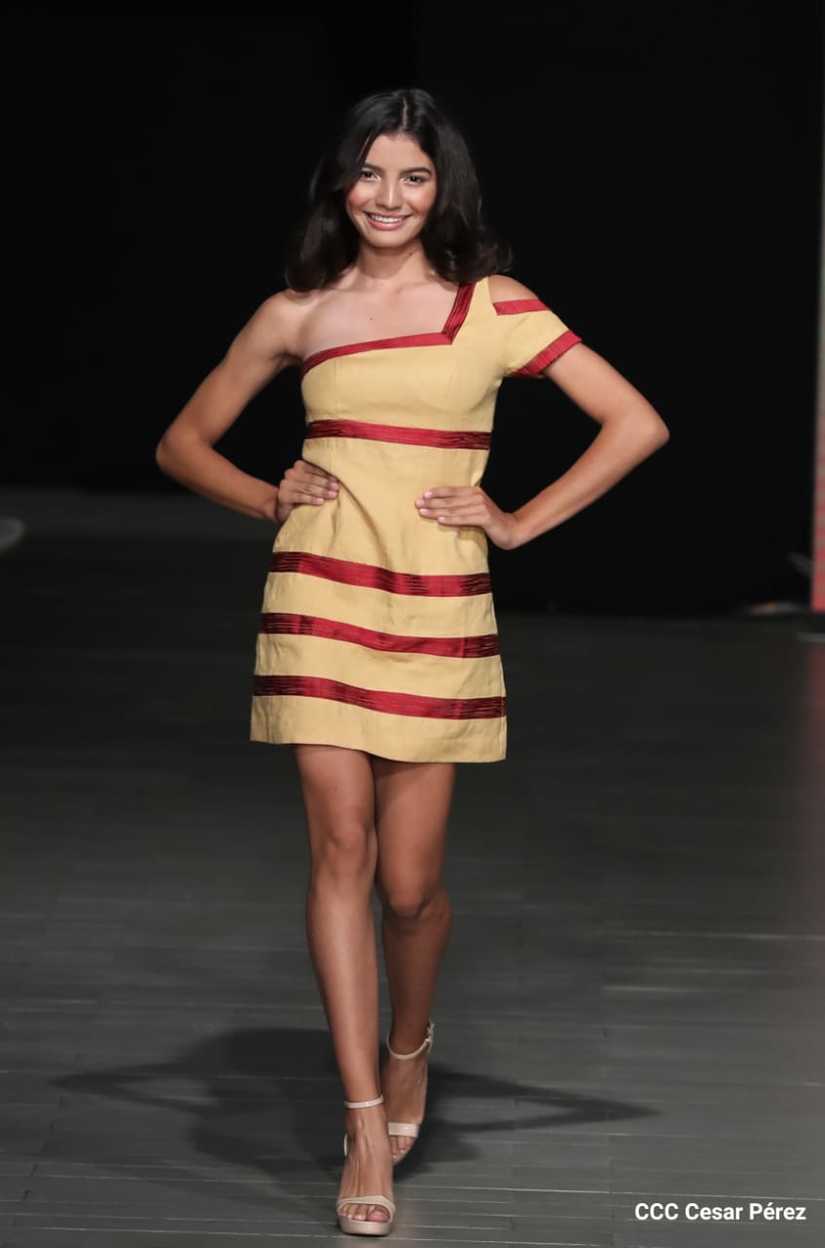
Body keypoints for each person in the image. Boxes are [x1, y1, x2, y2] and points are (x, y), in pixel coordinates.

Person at [155, 86, 669, 1236]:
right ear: (342, 183)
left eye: (414, 177)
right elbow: (181, 442)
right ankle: (358, 1123)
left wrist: (520, 523)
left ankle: (409, 1046)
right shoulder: (298, 310)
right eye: (372, 173)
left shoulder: (494, 305)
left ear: (444, 191)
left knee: (409, 888)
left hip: (436, 602)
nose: (389, 196)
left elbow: (635, 422)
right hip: (320, 591)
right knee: (339, 849)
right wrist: (266, 495)